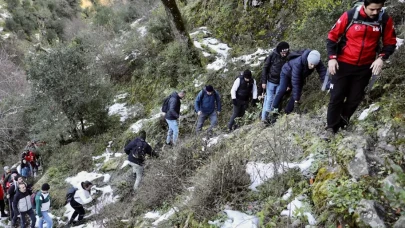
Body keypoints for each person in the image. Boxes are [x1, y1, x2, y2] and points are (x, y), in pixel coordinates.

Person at [325, 0, 397, 136]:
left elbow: (390, 42)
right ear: (364, 6)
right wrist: (332, 58)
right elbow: (332, 37)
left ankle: (342, 124)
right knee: (337, 96)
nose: (375, 12)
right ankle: (330, 129)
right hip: (343, 63)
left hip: (365, 66)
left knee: (355, 98)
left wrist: (381, 58)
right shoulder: (350, 15)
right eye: (372, 9)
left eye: (378, 9)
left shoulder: (384, 19)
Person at [272, 49, 327, 114]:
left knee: (297, 95)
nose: (312, 67)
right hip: (286, 72)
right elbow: (296, 82)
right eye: (311, 64)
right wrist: (296, 99)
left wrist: (328, 85)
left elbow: (323, 73)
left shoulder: (317, 61)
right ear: (308, 60)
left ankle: (287, 112)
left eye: (314, 65)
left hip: (299, 76)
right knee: (282, 89)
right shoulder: (298, 63)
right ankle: (274, 108)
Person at [261, 41, 290, 121]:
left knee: (276, 99)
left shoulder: (288, 57)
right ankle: (264, 118)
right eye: (283, 52)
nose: (284, 54)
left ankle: (272, 118)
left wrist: (288, 84)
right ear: (280, 50)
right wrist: (264, 81)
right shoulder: (273, 55)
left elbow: (290, 71)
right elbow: (265, 68)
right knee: (269, 99)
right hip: (271, 81)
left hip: (281, 82)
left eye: (286, 52)